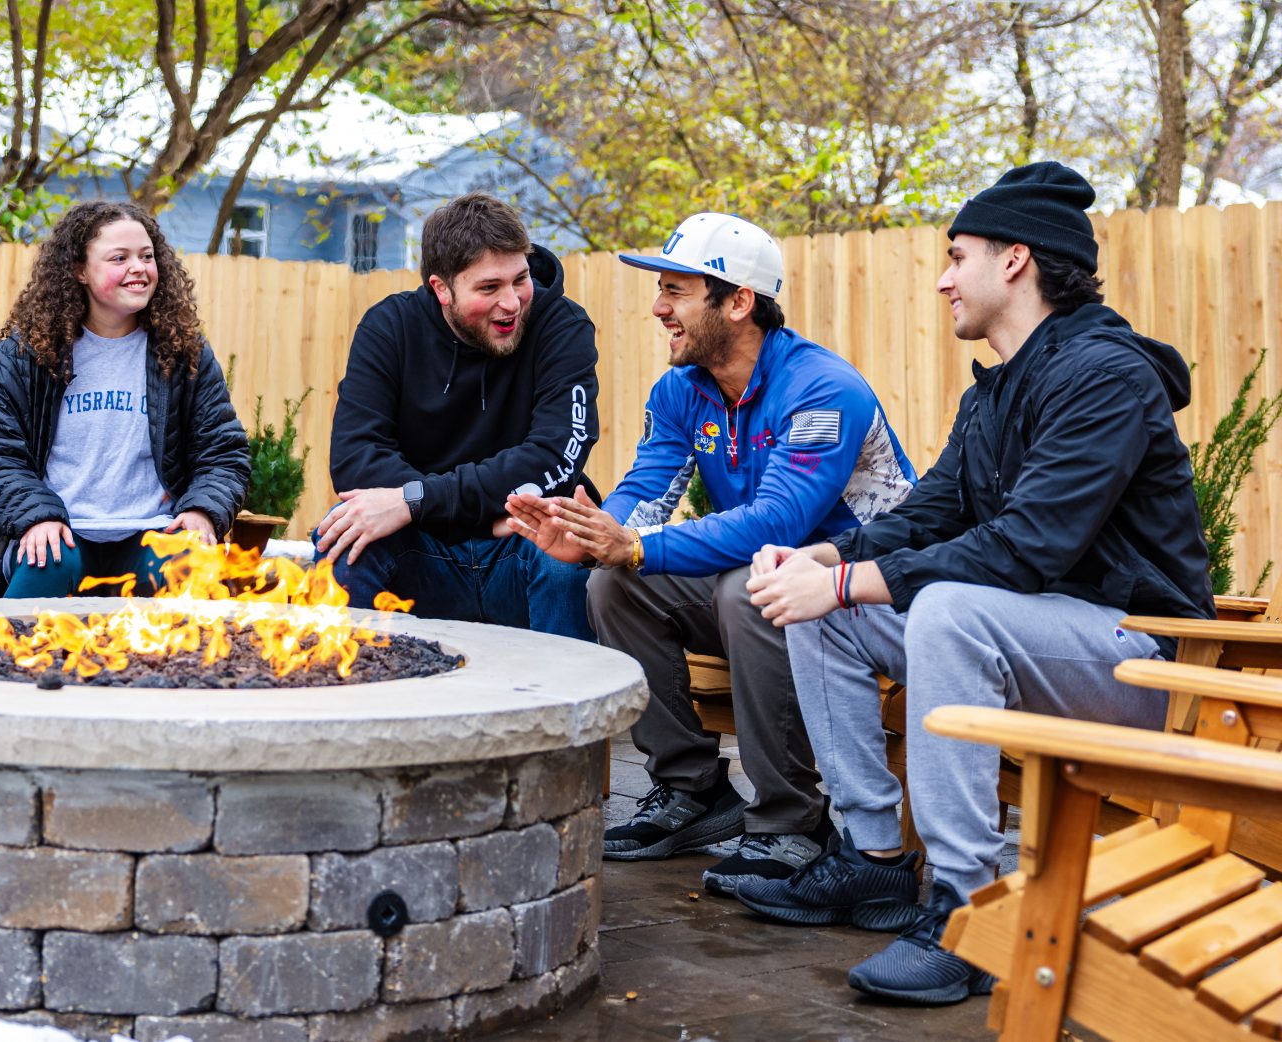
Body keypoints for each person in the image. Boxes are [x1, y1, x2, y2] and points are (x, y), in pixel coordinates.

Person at [739, 162, 1213, 1004]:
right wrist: (826, 563)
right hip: (1042, 635)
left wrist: (851, 581)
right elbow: (929, 515)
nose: (942, 278)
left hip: (1145, 660)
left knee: (945, 609)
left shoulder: (1106, 377)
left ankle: (971, 907)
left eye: (958, 256)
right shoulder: (991, 394)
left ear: (1016, 260)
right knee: (826, 612)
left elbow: (1026, 548)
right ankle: (874, 860)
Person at [508, 212, 918, 895]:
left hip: (865, 598)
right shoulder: (681, 391)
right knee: (615, 586)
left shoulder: (822, 388)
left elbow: (779, 520)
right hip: (771, 588)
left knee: (748, 586)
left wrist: (636, 544)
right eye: (661, 290)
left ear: (738, 302)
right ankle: (693, 791)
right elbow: (646, 490)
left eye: (676, 291)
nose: (658, 307)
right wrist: (591, 538)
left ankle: (792, 821)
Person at [318, 193, 597, 639]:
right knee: (342, 541)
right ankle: (362, 703)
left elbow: (553, 457)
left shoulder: (562, 325)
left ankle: (565, 706)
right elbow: (356, 459)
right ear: (441, 289)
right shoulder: (389, 328)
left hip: (522, 542)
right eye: (489, 288)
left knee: (564, 547)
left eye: (520, 279)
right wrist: (476, 517)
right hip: (423, 549)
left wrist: (415, 500)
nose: (512, 303)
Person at [0, 200, 249, 598]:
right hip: (60, 533)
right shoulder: (26, 356)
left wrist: (201, 510)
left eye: (147, 256)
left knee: (188, 568)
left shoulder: (184, 354)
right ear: (79, 270)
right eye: (119, 258)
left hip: (153, 533)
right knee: (48, 561)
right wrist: (37, 515)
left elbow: (223, 454)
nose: (139, 268)